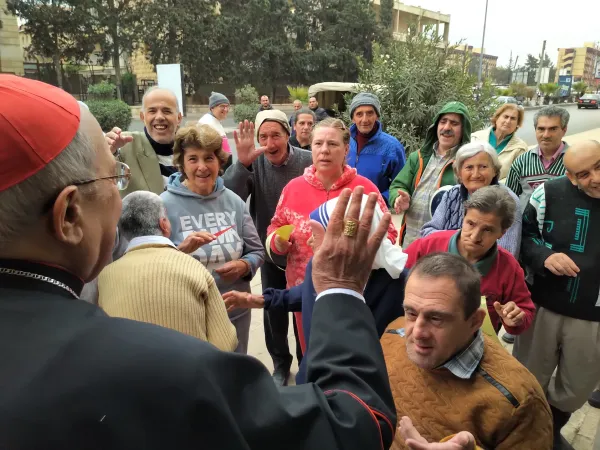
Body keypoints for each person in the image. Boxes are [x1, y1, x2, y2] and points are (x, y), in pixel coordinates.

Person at [223, 193, 408, 384]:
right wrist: (261, 300)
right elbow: (307, 292)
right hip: (313, 375)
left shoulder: (402, 289)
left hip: (357, 390)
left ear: (342, 241)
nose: (310, 242)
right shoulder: (320, 267)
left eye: (316, 234)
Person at [381, 252, 552, 450]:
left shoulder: (519, 401)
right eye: (411, 313)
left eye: (436, 318)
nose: (417, 332)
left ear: (475, 321)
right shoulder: (392, 335)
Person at [267, 118, 398, 353]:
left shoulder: (365, 189)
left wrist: (343, 237)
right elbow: (275, 227)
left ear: (346, 150)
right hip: (304, 292)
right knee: (309, 351)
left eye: (332, 144)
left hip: (353, 291)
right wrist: (277, 242)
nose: (324, 150)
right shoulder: (293, 188)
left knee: (349, 354)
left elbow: (387, 235)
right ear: (311, 148)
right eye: (318, 144)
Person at [513, 140, 600, 450]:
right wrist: (545, 257)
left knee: (576, 388)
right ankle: (532, 433)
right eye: (584, 174)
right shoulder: (547, 193)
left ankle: (549, 429)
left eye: (599, 167)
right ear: (571, 176)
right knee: (528, 378)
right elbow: (525, 238)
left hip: (593, 317)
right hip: (544, 305)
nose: (596, 178)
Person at [223, 109, 312, 384]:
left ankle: (305, 362)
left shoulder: (308, 161)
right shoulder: (256, 163)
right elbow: (230, 195)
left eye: (276, 135)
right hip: (271, 252)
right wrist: (242, 165)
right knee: (274, 312)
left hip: (304, 254)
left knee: (302, 308)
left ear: (289, 135)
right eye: (264, 136)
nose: (270, 143)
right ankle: (280, 364)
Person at [159, 124, 264, 354]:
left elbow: (257, 251)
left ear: (219, 161)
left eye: (209, 158)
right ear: (182, 164)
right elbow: (153, 265)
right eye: (193, 159)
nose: (202, 167)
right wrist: (181, 251)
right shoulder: (164, 204)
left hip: (234, 313)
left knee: (234, 377)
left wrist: (244, 265)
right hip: (188, 316)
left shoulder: (234, 201)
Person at [98, 191, 237, 352]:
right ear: (164, 224)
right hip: (193, 372)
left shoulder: (105, 277)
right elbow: (225, 342)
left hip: (133, 375)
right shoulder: (193, 267)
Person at [405, 186, 535, 336]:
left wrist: (516, 318)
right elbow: (396, 282)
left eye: (487, 230)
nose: (475, 236)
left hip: (476, 347)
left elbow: (525, 311)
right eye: (471, 224)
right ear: (463, 217)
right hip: (421, 338)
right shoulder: (427, 246)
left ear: (502, 233)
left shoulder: (508, 267)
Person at [389, 101, 472, 246]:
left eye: (454, 123)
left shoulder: (467, 163)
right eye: (443, 122)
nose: (446, 127)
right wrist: (399, 197)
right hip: (410, 241)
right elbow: (398, 185)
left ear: (463, 130)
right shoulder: (418, 157)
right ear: (436, 126)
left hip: (443, 246)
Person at [421, 142, 522, 257]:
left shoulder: (508, 201)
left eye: (483, 167)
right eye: (469, 167)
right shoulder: (451, 194)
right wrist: (459, 240)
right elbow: (428, 232)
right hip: (445, 265)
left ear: (495, 170)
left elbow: (506, 252)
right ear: (459, 173)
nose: (476, 174)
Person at [105, 86, 182, 196]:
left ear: (179, 118)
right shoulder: (125, 145)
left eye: (167, 111)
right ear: (142, 117)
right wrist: (108, 152)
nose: (159, 117)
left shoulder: (191, 149)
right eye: (152, 111)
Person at [505, 105, 569, 210]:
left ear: (564, 130)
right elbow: (508, 199)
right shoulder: (522, 161)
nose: (546, 135)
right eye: (541, 129)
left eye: (553, 129)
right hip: (527, 225)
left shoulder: (575, 162)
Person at [347, 92, 406, 205]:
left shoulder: (392, 147)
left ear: (377, 116)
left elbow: (401, 183)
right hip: (343, 207)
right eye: (359, 114)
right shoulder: (343, 141)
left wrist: (380, 200)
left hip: (376, 211)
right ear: (353, 118)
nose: (365, 119)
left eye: (370, 113)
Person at [471, 103, 528, 182]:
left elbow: (516, 177)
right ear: (497, 118)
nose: (508, 121)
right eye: (505, 117)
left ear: (517, 124)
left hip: (498, 191)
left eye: (513, 119)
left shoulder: (520, 148)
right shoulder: (475, 138)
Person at [197, 91, 233, 169]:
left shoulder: (214, 120)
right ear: (212, 108)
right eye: (222, 106)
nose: (226, 109)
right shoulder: (206, 123)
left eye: (227, 106)